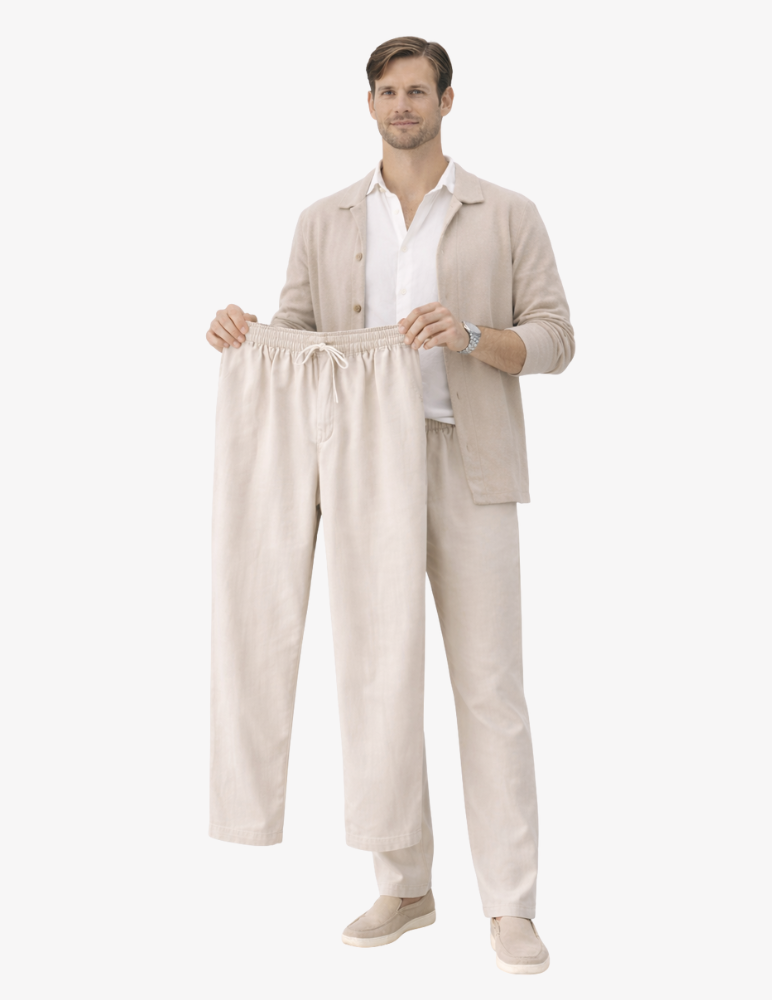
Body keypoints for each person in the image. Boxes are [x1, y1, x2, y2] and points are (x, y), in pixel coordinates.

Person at [205, 35, 574, 975]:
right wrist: (247, 329)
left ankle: (511, 905)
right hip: (360, 468)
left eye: (417, 89)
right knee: (378, 674)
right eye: (387, 90)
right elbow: (298, 335)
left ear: (448, 100)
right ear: (369, 104)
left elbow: (557, 340)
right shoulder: (323, 219)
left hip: (469, 464)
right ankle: (405, 886)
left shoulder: (507, 213)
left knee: (490, 688)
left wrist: (473, 334)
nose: (401, 104)